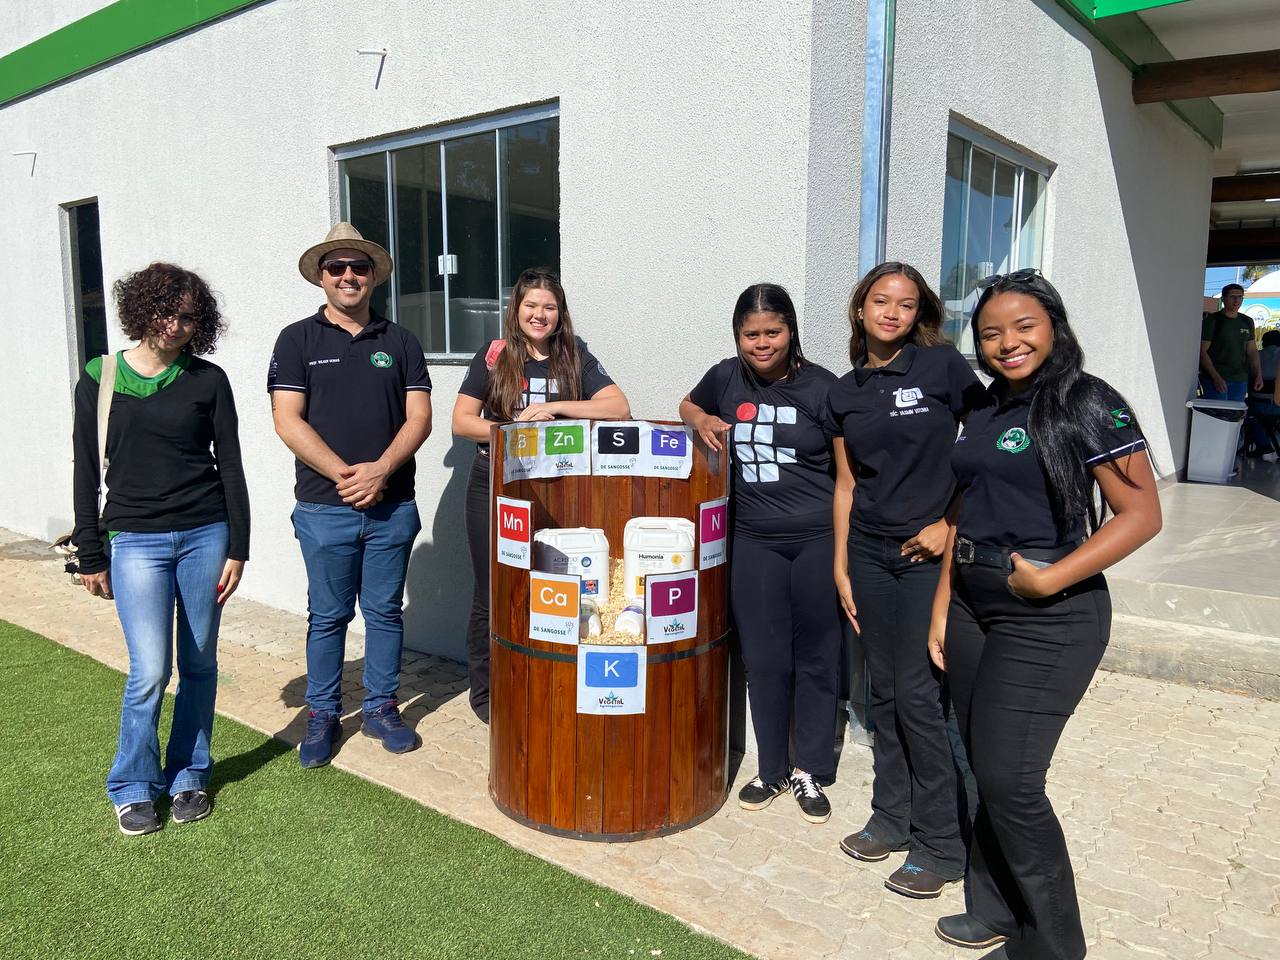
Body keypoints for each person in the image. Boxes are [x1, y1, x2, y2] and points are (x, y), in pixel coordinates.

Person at [929, 269, 1161, 960]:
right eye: (991, 333)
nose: (1008, 343)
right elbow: (963, 506)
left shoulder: (1086, 401)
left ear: (1053, 327)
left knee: (1011, 781)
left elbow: (1141, 514)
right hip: (971, 603)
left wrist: (1048, 579)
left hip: (1049, 613)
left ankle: (1055, 948)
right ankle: (994, 908)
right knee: (981, 762)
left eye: (1023, 326)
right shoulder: (985, 406)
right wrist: (942, 604)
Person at [72, 262, 249, 835]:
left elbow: (231, 467)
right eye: (166, 311)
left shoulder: (208, 380)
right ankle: (132, 785)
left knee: (198, 665)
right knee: (149, 670)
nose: (175, 325)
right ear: (141, 309)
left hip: (205, 534)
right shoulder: (100, 377)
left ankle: (189, 774)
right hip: (135, 540)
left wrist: (239, 547)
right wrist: (91, 551)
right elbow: (85, 471)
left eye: (189, 317)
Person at [829, 262, 986, 897]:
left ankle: (943, 843)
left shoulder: (943, 368)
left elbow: (986, 445)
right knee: (884, 694)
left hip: (927, 556)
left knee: (921, 698)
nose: (892, 312)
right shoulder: (846, 390)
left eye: (906, 303)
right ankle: (892, 816)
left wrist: (951, 524)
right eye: (880, 301)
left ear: (920, 313)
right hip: (868, 552)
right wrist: (840, 562)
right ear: (860, 308)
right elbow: (847, 485)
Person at [269, 223, 432, 768]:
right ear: (322, 276)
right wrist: (347, 475)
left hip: (392, 505)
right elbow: (287, 419)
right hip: (324, 507)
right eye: (336, 267)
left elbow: (419, 417)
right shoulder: (297, 340)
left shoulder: (400, 341)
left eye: (358, 267)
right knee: (327, 616)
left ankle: (382, 708)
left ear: (373, 276)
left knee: (384, 613)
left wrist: (380, 470)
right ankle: (322, 713)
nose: (347, 276)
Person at [680, 283, 840, 823]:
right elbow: (688, 403)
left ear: (791, 331)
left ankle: (811, 769)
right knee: (765, 660)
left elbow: (849, 473)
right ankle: (772, 769)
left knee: (817, 657)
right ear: (738, 336)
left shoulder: (823, 387)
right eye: (752, 334)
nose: (763, 343)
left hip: (818, 541)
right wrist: (701, 420)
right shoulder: (725, 377)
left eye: (773, 332)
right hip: (752, 541)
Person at [451, 268, 630, 723]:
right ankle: (487, 694)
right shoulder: (495, 354)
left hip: (558, 488)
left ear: (560, 314)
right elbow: (462, 421)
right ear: (517, 309)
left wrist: (553, 407)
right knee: (493, 589)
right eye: (531, 305)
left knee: (554, 585)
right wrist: (514, 430)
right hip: (495, 485)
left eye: (549, 307)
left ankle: (545, 681)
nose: (539, 314)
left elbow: (618, 408)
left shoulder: (574, 355)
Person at [1200, 283, 1262, 401]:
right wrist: (1215, 377)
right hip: (1215, 378)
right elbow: (1202, 351)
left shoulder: (1247, 321)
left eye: (1240, 297)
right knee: (1217, 411)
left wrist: (1258, 374)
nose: (1236, 300)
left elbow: (1252, 351)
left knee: (1236, 412)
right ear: (1223, 299)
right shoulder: (1213, 320)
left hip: (1240, 379)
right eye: (1232, 297)